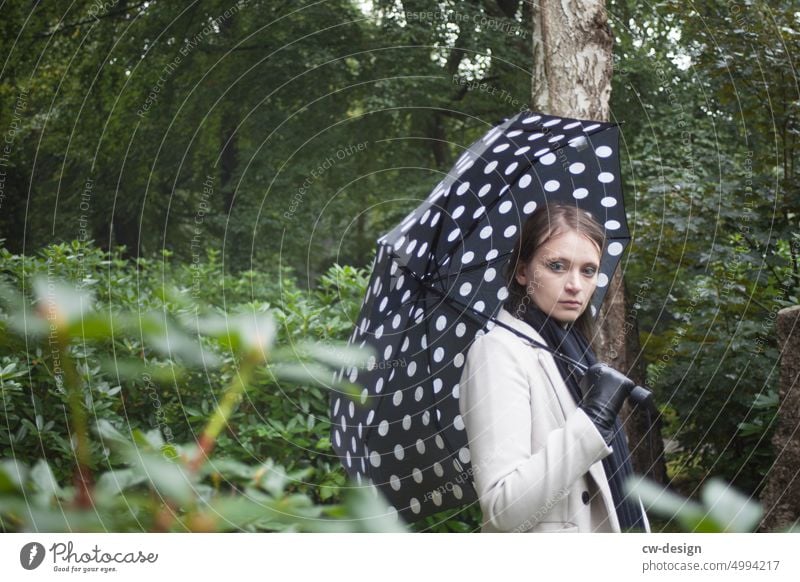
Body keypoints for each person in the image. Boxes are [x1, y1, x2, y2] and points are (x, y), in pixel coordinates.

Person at [458, 202, 650, 533]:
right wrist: (591, 423)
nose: (575, 285)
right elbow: (503, 507)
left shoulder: (574, 353)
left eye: (588, 270)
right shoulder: (499, 352)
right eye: (557, 266)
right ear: (522, 272)